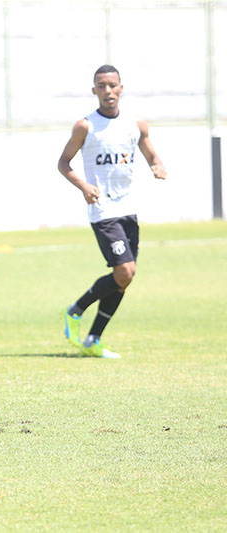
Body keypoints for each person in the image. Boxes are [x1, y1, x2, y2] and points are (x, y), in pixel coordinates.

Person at [58, 65, 166, 359]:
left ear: (121, 88)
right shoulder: (86, 126)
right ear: (94, 91)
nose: (108, 91)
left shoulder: (136, 125)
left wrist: (157, 165)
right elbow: (64, 163)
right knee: (125, 271)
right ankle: (76, 309)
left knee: (125, 278)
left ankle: (94, 339)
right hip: (103, 210)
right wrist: (83, 186)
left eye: (112, 85)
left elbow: (150, 153)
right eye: (101, 86)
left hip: (128, 210)